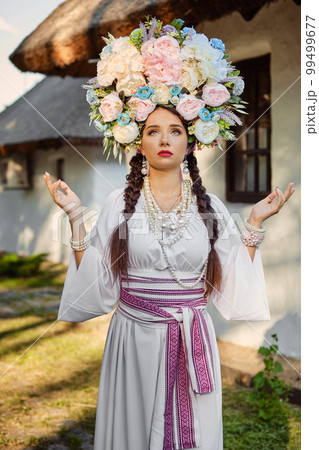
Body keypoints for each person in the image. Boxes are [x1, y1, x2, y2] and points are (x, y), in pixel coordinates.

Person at [43, 18, 295, 450]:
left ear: (190, 142)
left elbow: (233, 287)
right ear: (137, 143)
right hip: (133, 340)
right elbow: (95, 290)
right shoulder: (118, 208)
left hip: (192, 337)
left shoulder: (212, 209)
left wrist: (253, 224)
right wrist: (75, 220)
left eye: (175, 130)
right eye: (152, 131)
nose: (164, 140)